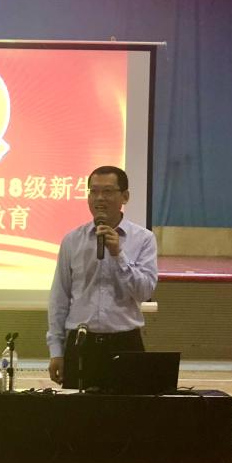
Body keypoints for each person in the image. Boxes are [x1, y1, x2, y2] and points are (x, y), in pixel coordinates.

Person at [46, 165, 158, 389]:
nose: (99, 198)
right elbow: (59, 298)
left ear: (125, 196)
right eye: (94, 191)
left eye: (107, 191)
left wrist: (118, 255)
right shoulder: (72, 240)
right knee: (78, 411)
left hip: (125, 343)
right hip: (81, 343)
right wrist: (56, 350)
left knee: (127, 410)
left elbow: (144, 291)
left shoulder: (143, 239)